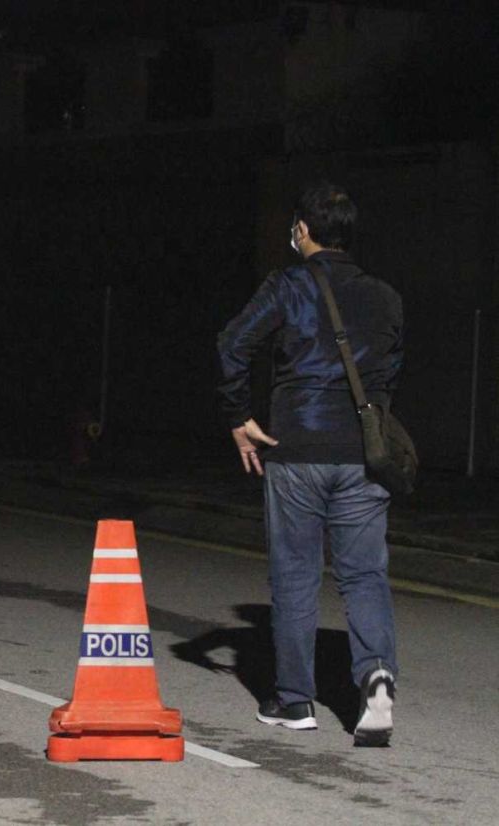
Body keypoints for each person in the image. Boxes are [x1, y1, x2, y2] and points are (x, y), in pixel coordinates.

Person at [216, 181, 402, 747]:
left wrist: (238, 415)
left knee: (296, 574)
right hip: (364, 454)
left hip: (294, 448)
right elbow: (389, 373)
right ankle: (375, 675)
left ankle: (294, 701)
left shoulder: (289, 282)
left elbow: (233, 343)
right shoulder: (385, 295)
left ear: (301, 230)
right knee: (364, 575)